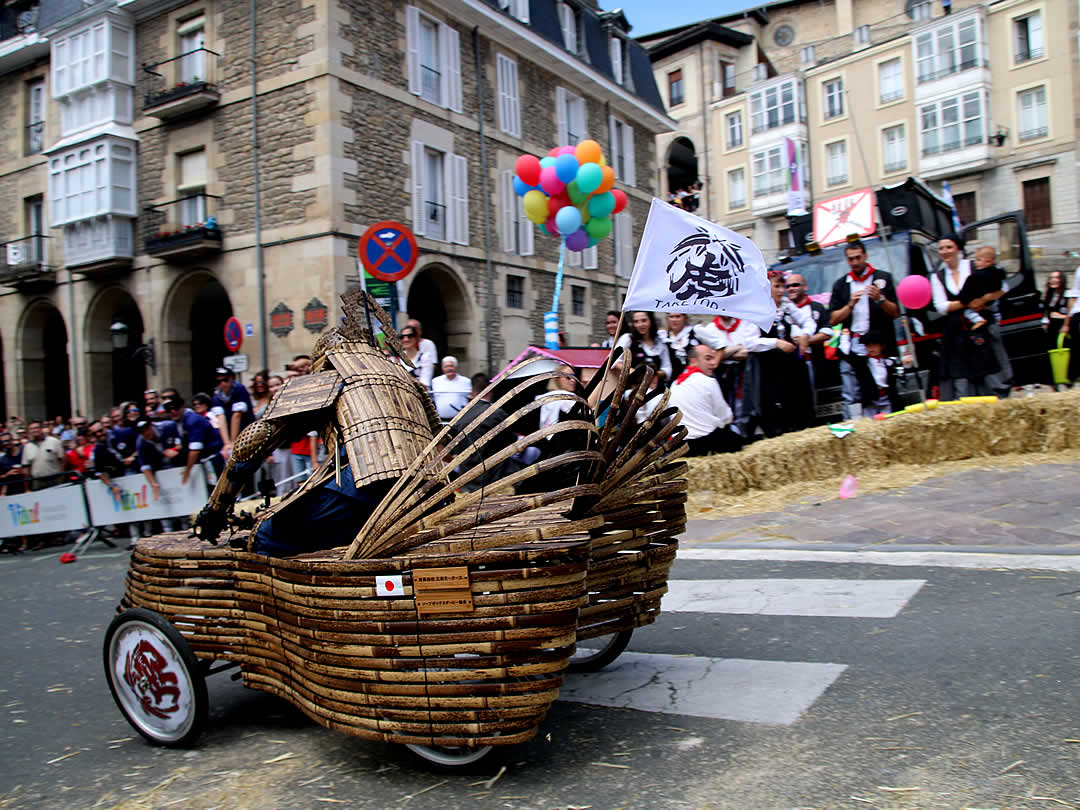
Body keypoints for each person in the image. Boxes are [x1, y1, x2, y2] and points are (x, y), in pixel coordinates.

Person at [193, 290, 439, 556]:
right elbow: (439, 437)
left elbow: (253, 442)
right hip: (430, 490)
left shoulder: (332, 375)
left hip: (369, 490)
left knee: (266, 535)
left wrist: (216, 508)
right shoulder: (407, 381)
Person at [828, 240, 901, 419]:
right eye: (851, 259)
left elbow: (896, 312)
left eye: (858, 257)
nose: (855, 262)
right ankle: (852, 426)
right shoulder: (841, 284)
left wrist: (881, 299)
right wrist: (850, 305)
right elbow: (833, 319)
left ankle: (887, 422)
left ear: (866, 256)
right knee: (852, 391)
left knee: (883, 386)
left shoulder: (883, 278)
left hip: (878, 342)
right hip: (853, 343)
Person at [930, 234, 998, 399]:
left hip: (979, 328)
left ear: (958, 249)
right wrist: (967, 302)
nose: (945, 251)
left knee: (985, 376)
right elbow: (941, 306)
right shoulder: (937, 276)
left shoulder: (974, 267)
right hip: (955, 332)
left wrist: (982, 300)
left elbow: (993, 291)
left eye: (949, 247)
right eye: (941, 248)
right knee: (961, 379)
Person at [752, 271, 815, 437]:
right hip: (770, 368)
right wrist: (776, 343)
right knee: (776, 409)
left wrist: (805, 334)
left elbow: (808, 321)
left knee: (799, 405)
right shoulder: (756, 311)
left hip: (791, 366)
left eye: (783, 287)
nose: (781, 291)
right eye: (777, 287)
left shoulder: (786, 306)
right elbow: (749, 342)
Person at [668, 344, 742, 456]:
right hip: (705, 442)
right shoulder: (708, 381)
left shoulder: (674, 384)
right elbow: (726, 416)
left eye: (713, 358)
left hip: (681, 445)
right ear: (693, 361)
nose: (713, 363)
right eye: (708, 358)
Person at [968, 246, 1013, 397]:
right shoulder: (995, 275)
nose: (976, 263)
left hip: (988, 320)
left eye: (979, 260)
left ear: (989, 261)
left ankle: (1001, 384)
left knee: (994, 353)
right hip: (986, 318)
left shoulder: (986, 276)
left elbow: (1002, 289)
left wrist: (985, 298)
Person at [162, 395, 225, 482]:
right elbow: (181, 444)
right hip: (203, 460)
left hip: (214, 458)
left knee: (220, 487)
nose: (172, 411)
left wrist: (187, 471)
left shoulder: (192, 420)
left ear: (182, 406)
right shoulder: (177, 422)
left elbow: (195, 450)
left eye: (175, 408)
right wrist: (174, 450)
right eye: (169, 410)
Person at [614, 311, 672, 385]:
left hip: (655, 389)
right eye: (636, 321)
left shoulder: (660, 342)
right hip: (632, 387)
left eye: (644, 320)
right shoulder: (628, 339)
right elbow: (614, 361)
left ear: (651, 320)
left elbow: (667, 368)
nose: (640, 325)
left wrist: (653, 375)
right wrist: (635, 372)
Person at [211, 368, 255, 449]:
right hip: (231, 434)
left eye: (225, 380)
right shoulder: (217, 396)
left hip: (247, 433)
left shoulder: (239, 389)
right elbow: (221, 418)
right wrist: (226, 443)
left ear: (231, 378)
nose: (222, 384)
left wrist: (232, 442)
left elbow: (237, 415)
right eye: (218, 382)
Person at [22, 420, 66, 489]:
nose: (34, 430)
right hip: (37, 482)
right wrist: (27, 488)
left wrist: (61, 477)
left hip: (55, 479)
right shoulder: (27, 446)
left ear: (41, 429)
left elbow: (62, 460)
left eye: (36, 428)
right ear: (29, 431)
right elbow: (26, 469)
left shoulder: (54, 441)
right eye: (32, 429)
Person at [659, 313, 701, 380]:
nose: (674, 320)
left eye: (678, 316)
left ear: (685, 318)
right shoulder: (662, 337)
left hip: (691, 378)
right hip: (671, 379)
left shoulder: (693, 334)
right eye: (671, 317)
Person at [430, 356, 472, 420]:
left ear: (456, 367)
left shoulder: (466, 381)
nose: (449, 368)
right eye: (446, 366)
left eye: (451, 366)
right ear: (442, 368)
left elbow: (470, 399)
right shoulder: (435, 381)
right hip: (441, 419)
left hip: (460, 419)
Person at [1041, 269, 1070, 347]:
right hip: (1052, 329)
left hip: (1063, 328)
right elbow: (1046, 311)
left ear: (1062, 280)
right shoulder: (1049, 294)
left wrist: (1060, 316)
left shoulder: (1068, 294)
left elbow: (1073, 314)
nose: (1053, 280)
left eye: (1056, 277)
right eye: (1051, 278)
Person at [405, 318, 439, 382]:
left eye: (414, 328)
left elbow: (433, 364)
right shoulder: (405, 344)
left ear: (419, 330)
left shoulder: (428, 344)